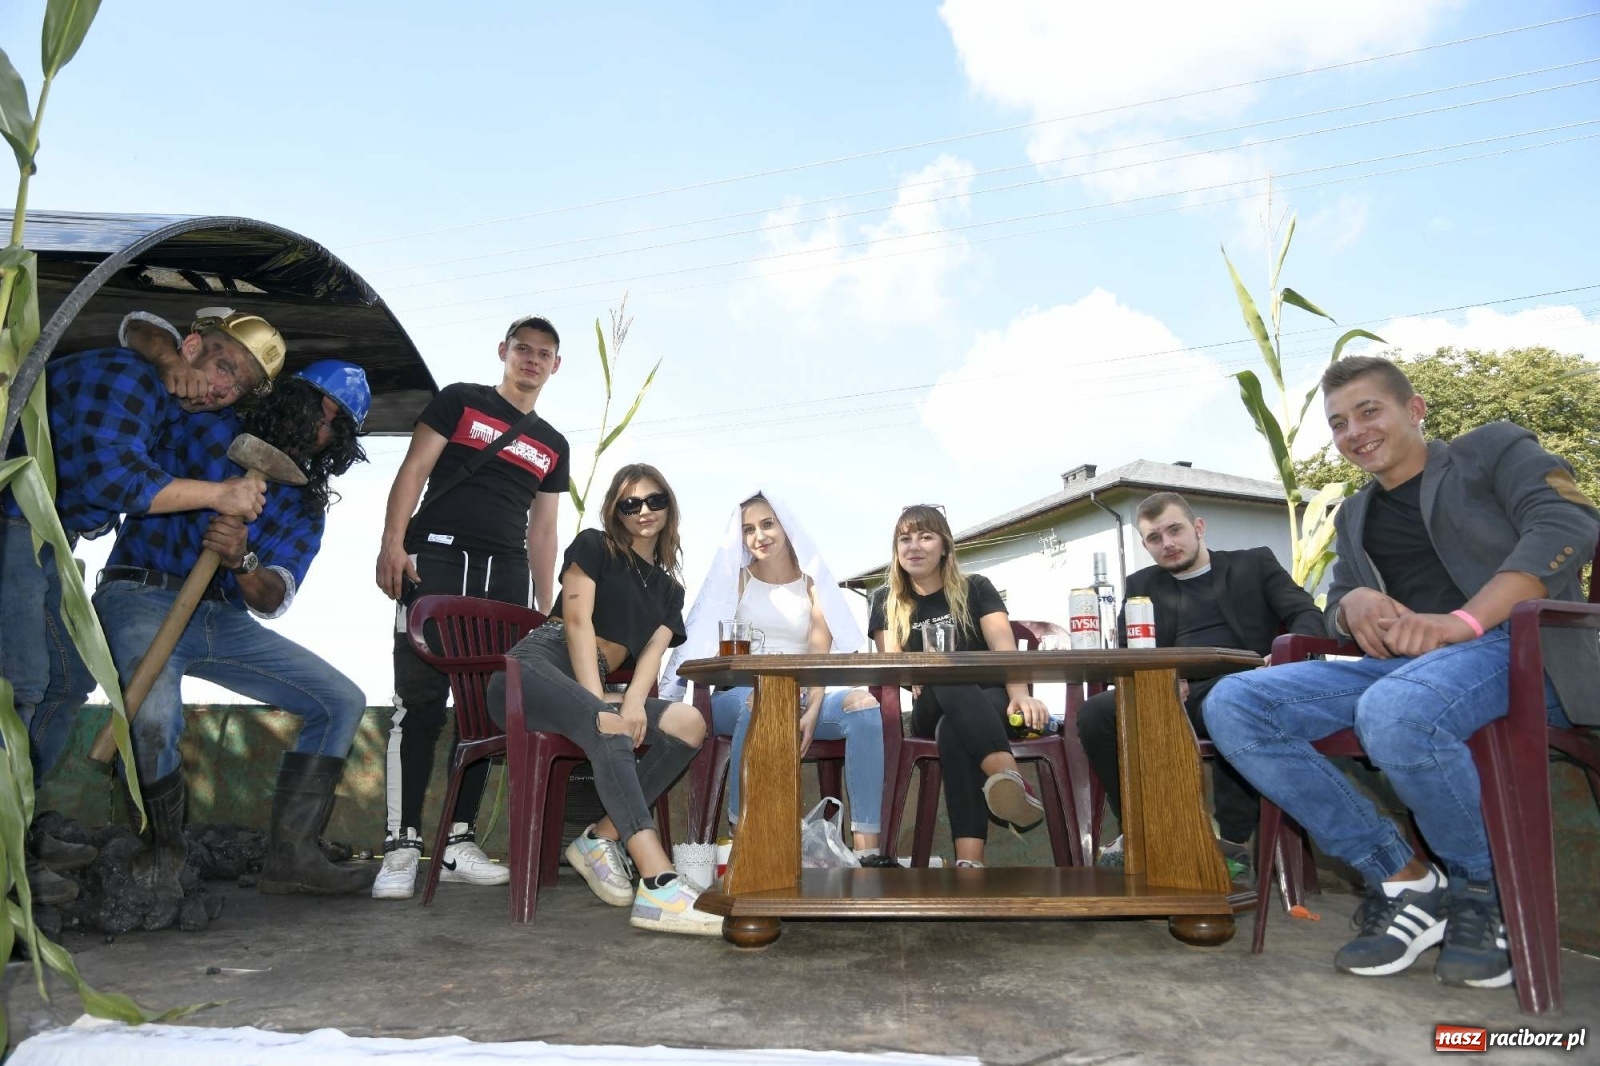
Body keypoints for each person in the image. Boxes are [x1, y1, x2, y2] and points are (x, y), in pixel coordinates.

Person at [1203, 355, 1599, 989]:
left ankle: (1482, 888)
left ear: (1414, 409)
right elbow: (1339, 600)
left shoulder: (1492, 450)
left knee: (1395, 711)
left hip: (1519, 652)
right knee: (1234, 703)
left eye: (1369, 411)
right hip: (1407, 669)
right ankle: (1404, 878)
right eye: (1339, 423)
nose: (1354, 432)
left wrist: (1463, 621)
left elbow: (1567, 524)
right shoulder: (1355, 514)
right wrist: (1353, 603)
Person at [0, 308, 283, 904]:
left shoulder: (167, 407)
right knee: (20, 683)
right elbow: (114, 482)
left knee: (66, 680)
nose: (224, 388)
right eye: (224, 365)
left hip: (47, 535)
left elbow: (139, 325)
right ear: (193, 346)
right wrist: (222, 494)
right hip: (10, 518)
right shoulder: (130, 377)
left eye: (238, 385)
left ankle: (16, 829)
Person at [92, 325, 376, 898]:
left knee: (341, 700)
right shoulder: (205, 422)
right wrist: (170, 357)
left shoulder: (305, 507)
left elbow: (272, 598)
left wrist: (242, 561)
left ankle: (292, 858)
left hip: (223, 619)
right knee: (152, 716)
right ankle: (161, 855)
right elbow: (138, 331)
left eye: (333, 425)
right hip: (140, 595)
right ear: (286, 399)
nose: (317, 428)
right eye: (312, 408)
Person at [373, 315, 569, 901]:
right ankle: (401, 846)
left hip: (503, 575)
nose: (531, 360)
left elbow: (543, 530)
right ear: (503, 351)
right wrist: (392, 544)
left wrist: (546, 607)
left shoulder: (552, 444)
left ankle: (458, 842)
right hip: (434, 560)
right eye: (523, 349)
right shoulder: (460, 401)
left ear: (555, 366)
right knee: (419, 702)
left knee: (484, 711)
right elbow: (414, 469)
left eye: (543, 354)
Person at [488, 464, 716, 935]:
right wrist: (599, 704)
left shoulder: (670, 590)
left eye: (654, 500)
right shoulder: (595, 546)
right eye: (630, 503)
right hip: (533, 670)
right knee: (608, 724)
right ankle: (659, 884)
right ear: (616, 510)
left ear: (669, 506)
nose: (644, 511)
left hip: (591, 684)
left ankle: (600, 838)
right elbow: (576, 622)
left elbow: (651, 655)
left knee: (689, 723)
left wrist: (631, 703)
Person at [1077, 491, 1322, 878]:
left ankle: (1233, 842)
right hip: (1173, 692)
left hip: (1247, 685)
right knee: (1096, 713)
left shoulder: (1253, 564)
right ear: (1145, 545)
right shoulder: (1142, 584)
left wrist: (1280, 660)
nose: (1167, 543)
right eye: (1154, 538)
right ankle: (1141, 829)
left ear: (1199, 527)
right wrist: (1163, 673)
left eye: (1175, 530)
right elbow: (1126, 650)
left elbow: (1307, 615)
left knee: (1231, 699)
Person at [662, 492, 888, 862]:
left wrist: (813, 705)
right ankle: (743, 833)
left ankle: (867, 851)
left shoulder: (813, 584)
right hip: (737, 695)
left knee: (863, 707)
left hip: (801, 693)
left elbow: (818, 656)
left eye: (767, 524)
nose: (759, 536)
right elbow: (704, 642)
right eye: (748, 529)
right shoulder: (737, 580)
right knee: (765, 699)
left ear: (786, 525)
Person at [866, 505, 1051, 868]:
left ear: (945, 546)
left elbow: (1003, 648)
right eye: (904, 539)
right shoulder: (885, 600)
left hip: (989, 701)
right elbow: (891, 663)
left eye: (925, 537)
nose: (913, 546)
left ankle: (969, 862)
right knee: (944, 671)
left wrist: (1020, 695)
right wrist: (920, 672)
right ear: (896, 550)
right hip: (929, 702)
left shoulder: (976, 587)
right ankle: (1009, 778)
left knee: (953, 729)